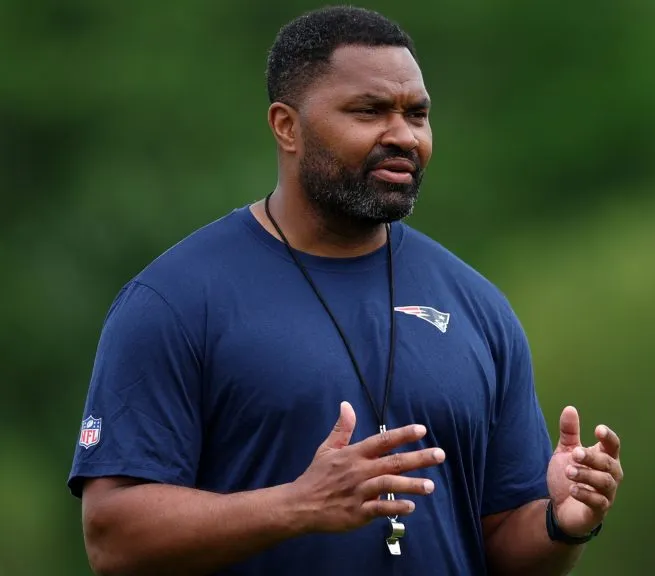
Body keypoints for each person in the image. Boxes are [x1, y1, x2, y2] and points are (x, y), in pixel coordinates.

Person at [68, 5, 623, 576]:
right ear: (287, 126)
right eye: (370, 112)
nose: (403, 136)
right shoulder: (176, 301)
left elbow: (502, 546)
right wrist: (297, 506)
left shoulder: (477, 307)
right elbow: (114, 540)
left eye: (418, 114)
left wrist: (562, 522)